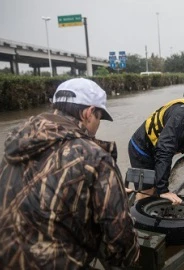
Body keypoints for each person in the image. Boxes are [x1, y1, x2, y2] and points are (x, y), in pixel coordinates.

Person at [0, 78, 139, 269]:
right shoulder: (94, 158)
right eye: (99, 118)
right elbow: (121, 240)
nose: (97, 126)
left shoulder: (15, 142)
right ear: (88, 113)